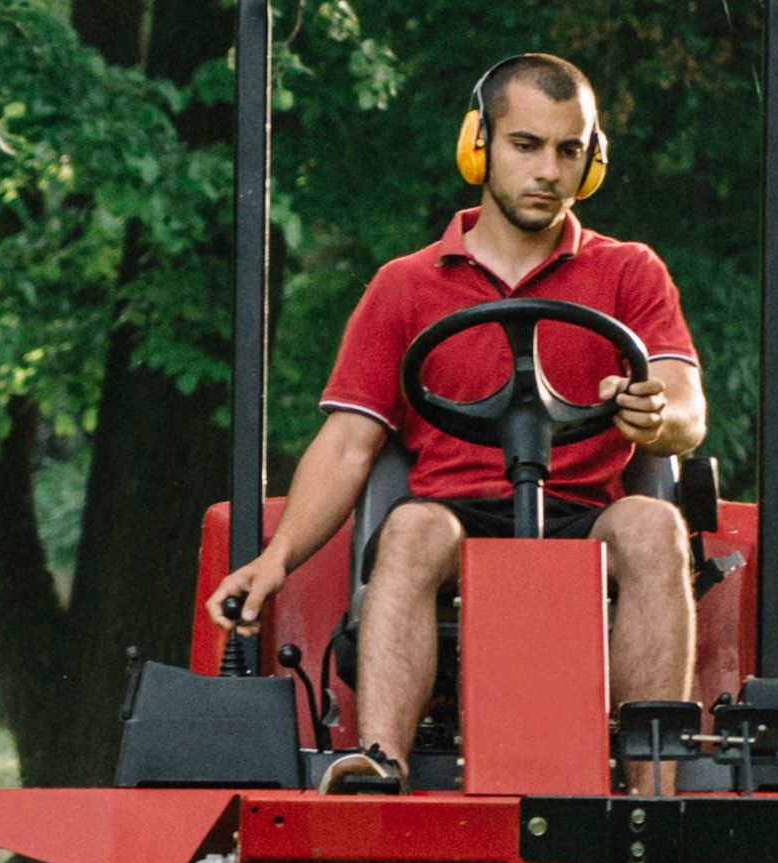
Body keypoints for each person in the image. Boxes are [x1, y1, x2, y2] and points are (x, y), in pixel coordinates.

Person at [200, 51, 706, 785]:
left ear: (592, 161)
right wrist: (274, 561)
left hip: (584, 520)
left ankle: (653, 791)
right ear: (479, 146)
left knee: (653, 524)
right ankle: (380, 766)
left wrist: (656, 415)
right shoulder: (404, 286)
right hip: (452, 521)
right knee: (409, 527)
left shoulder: (629, 271)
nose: (548, 171)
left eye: (569, 151)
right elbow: (347, 445)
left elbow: (685, 406)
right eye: (525, 145)